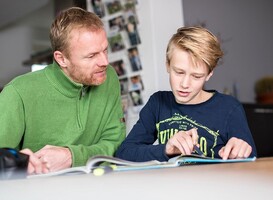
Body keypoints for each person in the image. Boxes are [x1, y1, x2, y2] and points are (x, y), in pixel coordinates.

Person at [0, 7, 126, 174]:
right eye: (91, 56)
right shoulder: (17, 93)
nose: (104, 61)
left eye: (105, 50)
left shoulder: (108, 77)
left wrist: (71, 156)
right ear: (61, 59)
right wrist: (19, 164)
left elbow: (116, 143)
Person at [115, 26, 257, 162]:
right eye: (179, 72)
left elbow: (252, 159)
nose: (184, 84)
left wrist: (242, 152)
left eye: (196, 76)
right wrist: (166, 149)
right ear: (167, 65)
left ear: (209, 74)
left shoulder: (229, 108)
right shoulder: (157, 103)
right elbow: (124, 153)